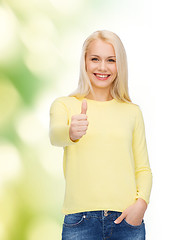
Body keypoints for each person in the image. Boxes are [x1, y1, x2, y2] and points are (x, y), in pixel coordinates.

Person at [49, 30, 152, 240]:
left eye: (111, 60)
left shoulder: (132, 112)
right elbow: (55, 136)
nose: (102, 67)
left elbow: (143, 168)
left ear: (119, 65)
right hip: (80, 222)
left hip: (126, 221)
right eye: (95, 59)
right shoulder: (65, 105)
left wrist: (140, 205)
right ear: (84, 62)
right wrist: (71, 132)